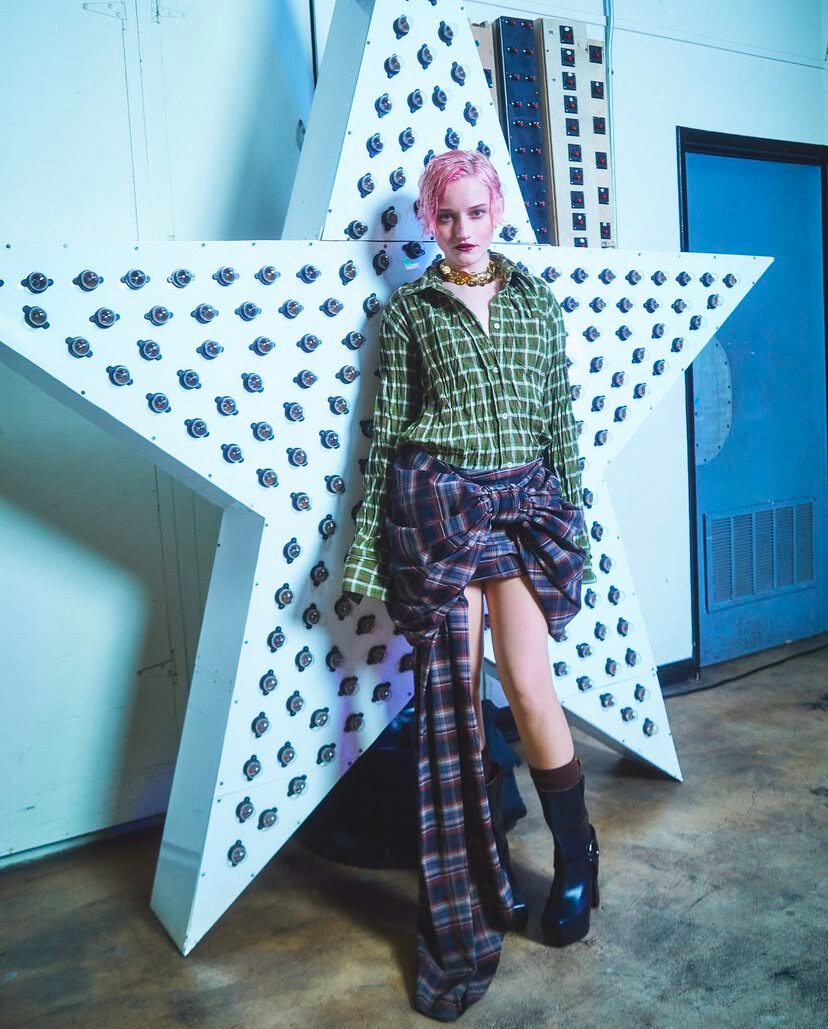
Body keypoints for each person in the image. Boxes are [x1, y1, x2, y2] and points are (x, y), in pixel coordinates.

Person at [342, 150, 600, 1022]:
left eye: (474, 212)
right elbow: (386, 437)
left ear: (496, 213)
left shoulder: (537, 303)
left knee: (527, 684)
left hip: (522, 507)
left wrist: (577, 526)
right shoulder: (410, 312)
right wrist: (371, 557)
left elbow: (559, 421)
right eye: (445, 215)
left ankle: (576, 859)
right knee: (451, 705)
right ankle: (477, 888)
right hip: (441, 508)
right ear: (429, 220)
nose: (460, 228)